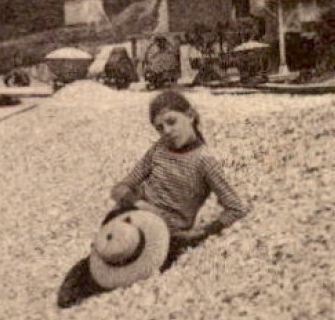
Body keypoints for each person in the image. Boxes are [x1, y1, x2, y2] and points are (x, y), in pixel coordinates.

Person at [56, 89, 248, 308]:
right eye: (160, 128)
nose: (166, 131)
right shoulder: (158, 150)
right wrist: (138, 203)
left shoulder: (204, 161)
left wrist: (204, 232)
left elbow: (235, 207)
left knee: (131, 275)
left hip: (166, 232)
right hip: (131, 218)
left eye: (171, 122)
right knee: (105, 259)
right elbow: (120, 187)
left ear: (191, 115)